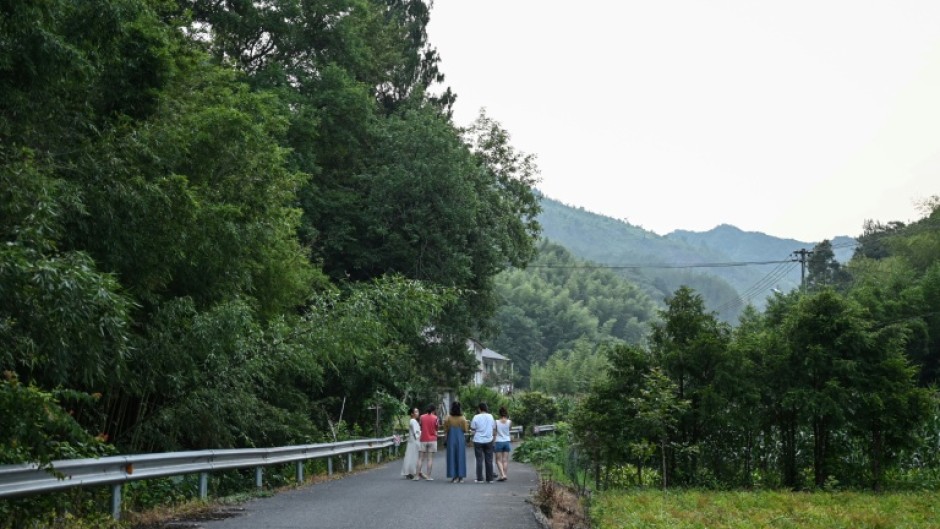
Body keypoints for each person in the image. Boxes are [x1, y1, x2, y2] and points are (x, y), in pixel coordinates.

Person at [442, 401, 469, 483]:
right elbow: (465, 429)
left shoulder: (448, 418)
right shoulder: (463, 418)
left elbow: (445, 429)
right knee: (460, 456)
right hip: (460, 439)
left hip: (451, 439)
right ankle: (460, 477)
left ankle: (454, 477)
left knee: (451, 456)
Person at [469, 402, 496, 483]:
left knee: (479, 459)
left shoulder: (476, 417)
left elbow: (473, 428)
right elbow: (494, 427)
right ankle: (490, 478)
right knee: (489, 459)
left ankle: (480, 478)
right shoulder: (490, 416)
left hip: (478, 440)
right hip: (488, 440)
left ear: (479, 409)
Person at [416, 404, 438, 480]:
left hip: (423, 439)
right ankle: (428, 476)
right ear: (434, 410)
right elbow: (436, 428)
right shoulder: (435, 418)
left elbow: (420, 426)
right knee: (430, 459)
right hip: (432, 439)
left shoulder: (422, 417)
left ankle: (416, 476)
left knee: (420, 458)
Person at [400, 407, 421, 479]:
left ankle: (408, 472)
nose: (417, 413)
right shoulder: (413, 421)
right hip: (414, 441)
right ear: (412, 414)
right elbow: (416, 432)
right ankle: (411, 472)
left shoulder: (413, 420)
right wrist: (418, 438)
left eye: (418, 411)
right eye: (416, 412)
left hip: (411, 440)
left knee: (409, 456)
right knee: (413, 456)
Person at [494, 406, 512, 481]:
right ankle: (504, 474)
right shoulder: (509, 422)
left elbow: (494, 431)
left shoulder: (496, 422)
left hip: (499, 441)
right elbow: (509, 429)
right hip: (507, 441)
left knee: (498, 460)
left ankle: (502, 475)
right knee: (505, 460)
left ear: (499, 413)